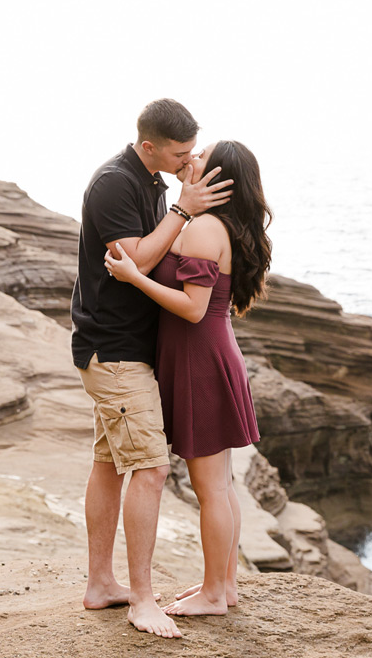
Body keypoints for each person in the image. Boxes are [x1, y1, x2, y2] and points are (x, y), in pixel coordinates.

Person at [71, 99, 232, 639]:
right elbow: (131, 262)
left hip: (129, 349)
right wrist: (183, 210)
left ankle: (101, 584)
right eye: (181, 152)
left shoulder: (154, 184)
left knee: (110, 463)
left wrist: (180, 189)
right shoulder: (115, 184)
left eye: (193, 151)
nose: (190, 160)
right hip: (114, 349)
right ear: (148, 147)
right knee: (151, 468)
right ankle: (142, 599)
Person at [105, 139, 271, 617]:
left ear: (216, 176)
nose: (190, 159)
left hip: (200, 358)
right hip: (208, 355)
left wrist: (135, 277)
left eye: (201, 155)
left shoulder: (204, 230)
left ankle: (215, 594)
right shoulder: (209, 225)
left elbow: (194, 309)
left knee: (211, 489)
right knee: (221, 485)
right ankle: (226, 587)